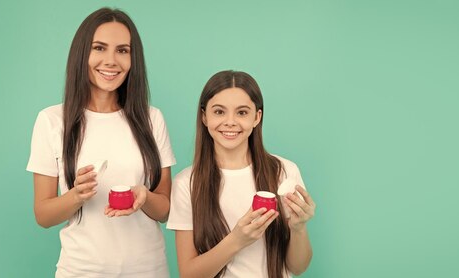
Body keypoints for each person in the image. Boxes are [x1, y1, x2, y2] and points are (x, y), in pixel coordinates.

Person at [26, 8, 175, 277]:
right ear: (82, 53)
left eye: (122, 50)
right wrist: (76, 196)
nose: (111, 60)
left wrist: (145, 197)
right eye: (99, 48)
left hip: (148, 270)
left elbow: (165, 210)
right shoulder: (51, 120)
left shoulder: (152, 119)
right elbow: (43, 215)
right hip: (81, 270)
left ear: (133, 60)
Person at [167, 70, 316, 277]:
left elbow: (298, 267)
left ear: (257, 117)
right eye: (219, 112)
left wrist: (299, 228)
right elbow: (189, 274)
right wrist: (236, 240)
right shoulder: (187, 183)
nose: (230, 122)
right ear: (204, 116)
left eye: (242, 112)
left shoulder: (284, 171)